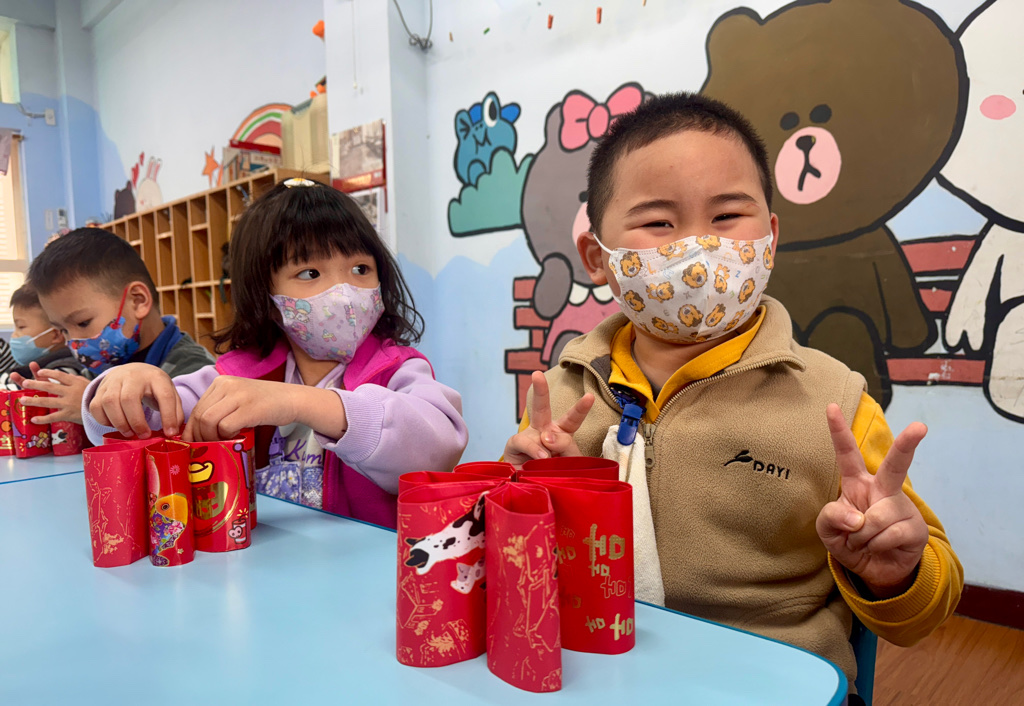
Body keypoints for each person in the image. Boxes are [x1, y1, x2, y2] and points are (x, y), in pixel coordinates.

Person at [503, 92, 962, 692]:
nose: (699, 245)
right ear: (597, 257)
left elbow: (925, 608)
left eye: (726, 217)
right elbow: (514, 571)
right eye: (659, 222)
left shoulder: (836, 405)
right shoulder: (560, 395)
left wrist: (893, 573)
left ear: (769, 237)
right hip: (593, 672)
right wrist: (518, 499)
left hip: (770, 683)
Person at [84, 178, 468, 528]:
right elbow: (141, 425)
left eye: (361, 269)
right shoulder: (238, 374)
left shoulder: (398, 370)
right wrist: (126, 385)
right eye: (310, 273)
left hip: (364, 570)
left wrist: (298, 402)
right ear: (266, 299)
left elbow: (437, 451)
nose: (344, 293)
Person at [16, 228, 214, 425]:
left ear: (137, 301)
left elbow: (178, 433)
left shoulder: (195, 372)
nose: (74, 342)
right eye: (63, 330)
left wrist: (90, 411)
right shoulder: (103, 365)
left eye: (83, 322)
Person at [0, 283, 84, 391]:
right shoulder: (26, 366)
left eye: (21, 327)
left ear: (56, 334)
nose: (14, 335)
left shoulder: (64, 371)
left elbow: (29, 393)